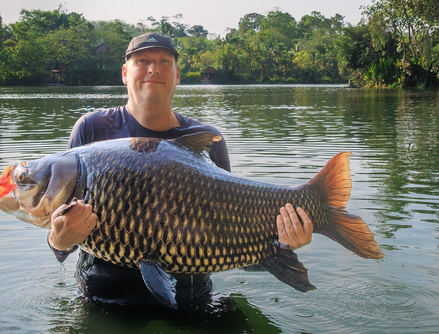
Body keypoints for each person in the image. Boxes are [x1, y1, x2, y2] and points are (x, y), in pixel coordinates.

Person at [47, 33, 313, 309]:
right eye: (143, 60)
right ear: (125, 73)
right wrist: (58, 241)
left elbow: (232, 243)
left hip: (191, 302)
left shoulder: (206, 139)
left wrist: (281, 244)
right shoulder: (91, 130)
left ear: (177, 76)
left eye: (164, 61)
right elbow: (61, 231)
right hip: (104, 300)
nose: (154, 68)